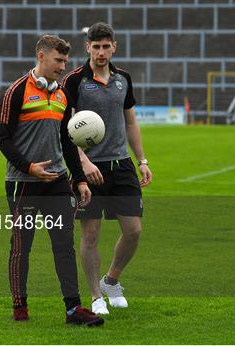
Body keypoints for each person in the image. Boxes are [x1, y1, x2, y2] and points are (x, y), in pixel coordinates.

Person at [0, 35, 104, 326]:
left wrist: (80, 180)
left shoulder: (61, 95)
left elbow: (68, 143)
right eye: (58, 60)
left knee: (63, 245)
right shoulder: (16, 92)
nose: (62, 66)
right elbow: (2, 140)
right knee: (22, 246)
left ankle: (73, 309)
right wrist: (29, 168)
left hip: (57, 182)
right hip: (23, 183)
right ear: (41, 56)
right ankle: (20, 305)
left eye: (65, 61)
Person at [62, 23, 153, 315]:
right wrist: (83, 163)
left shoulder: (123, 79)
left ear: (114, 47)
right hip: (88, 170)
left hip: (121, 165)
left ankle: (111, 281)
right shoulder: (75, 80)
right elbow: (66, 127)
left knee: (134, 230)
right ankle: (95, 296)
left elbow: (130, 122)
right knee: (90, 235)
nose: (101, 52)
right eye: (96, 46)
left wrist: (142, 160)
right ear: (87, 47)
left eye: (106, 46)